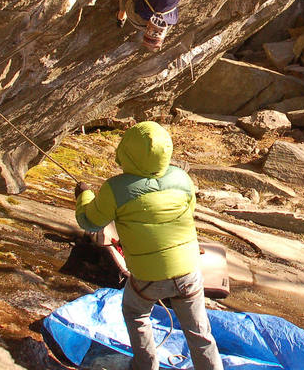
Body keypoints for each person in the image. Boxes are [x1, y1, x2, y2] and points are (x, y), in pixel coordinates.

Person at [75, 121, 222, 370]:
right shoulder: (182, 178)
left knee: (135, 313)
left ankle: (145, 366)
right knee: (199, 332)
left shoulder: (115, 188)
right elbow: (188, 212)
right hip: (188, 270)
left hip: (148, 276)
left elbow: (89, 221)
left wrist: (84, 195)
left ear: (127, 151)